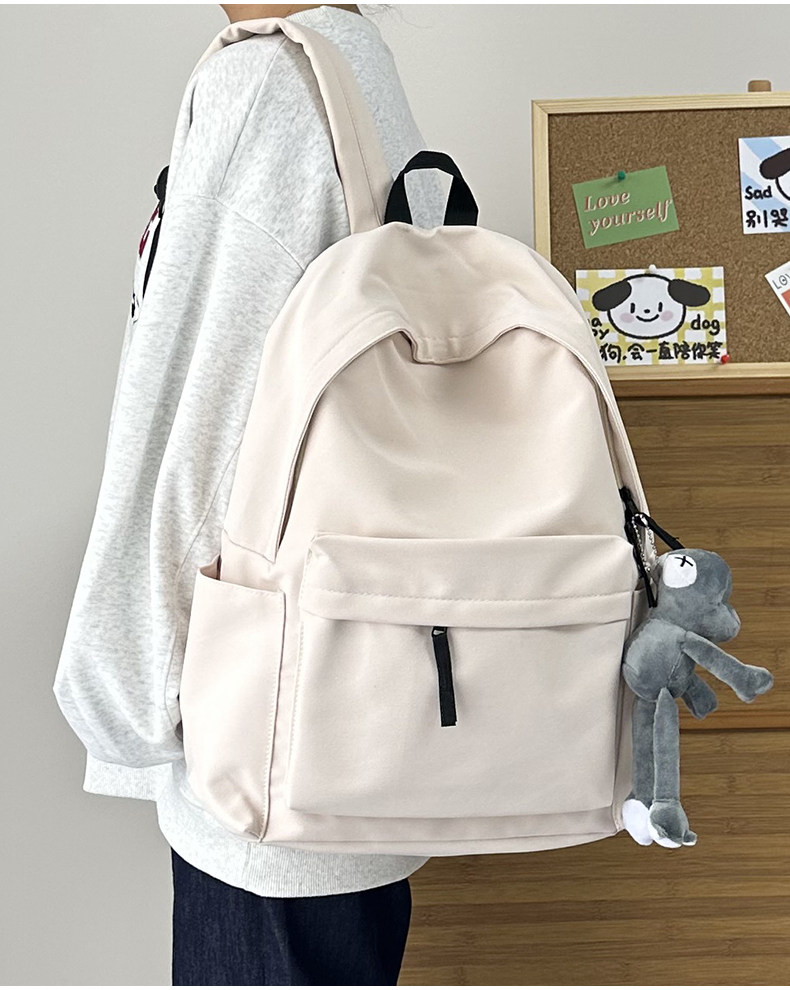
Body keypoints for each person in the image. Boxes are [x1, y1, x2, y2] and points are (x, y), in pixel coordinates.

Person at [52, 4, 446, 984]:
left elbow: (199, 408)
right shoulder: (354, 59)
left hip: (258, 751)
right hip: (360, 717)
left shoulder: (266, 81)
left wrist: (123, 686)